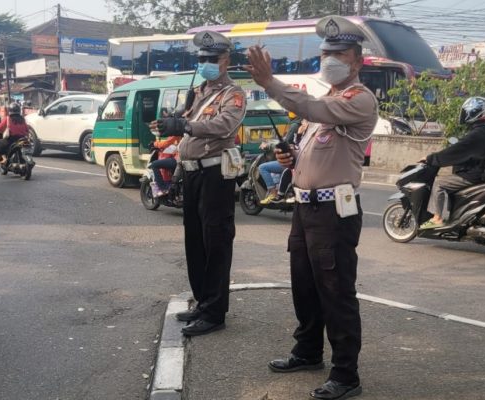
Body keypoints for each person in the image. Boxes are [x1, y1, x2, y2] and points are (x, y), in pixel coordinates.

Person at [246, 15, 378, 400]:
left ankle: (345, 374)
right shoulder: (326, 103)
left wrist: (270, 82)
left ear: (356, 61)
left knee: (336, 290)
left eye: (339, 53)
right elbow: (312, 149)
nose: (330, 59)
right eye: (326, 53)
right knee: (305, 285)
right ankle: (307, 352)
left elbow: (312, 110)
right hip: (305, 209)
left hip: (334, 212)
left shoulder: (359, 99)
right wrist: (292, 158)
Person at [150, 30, 246, 337]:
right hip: (191, 173)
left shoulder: (233, 94)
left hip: (215, 175)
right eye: (202, 58)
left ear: (225, 60)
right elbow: (186, 126)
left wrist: (185, 124)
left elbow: (224, 125)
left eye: (212, 58)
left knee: (215, 242)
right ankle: (203, 302)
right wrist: (171, 123)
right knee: (195, 240)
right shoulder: (199, 92)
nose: (206, 63)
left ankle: (215, 312)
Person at [419, 97, 485, 229]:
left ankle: (437, 218)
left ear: (473, 113)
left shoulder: (477, 134)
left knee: (439, 183)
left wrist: (431, 159)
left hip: (474, 175)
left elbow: (456, 151)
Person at [260, 114, 306, 205]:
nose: (304, 122)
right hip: (299, 159)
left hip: (295, 160)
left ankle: (275, 194)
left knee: (263, 167)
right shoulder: (300, 127)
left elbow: (287, 144)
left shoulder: (295, 126)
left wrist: (269, 145)